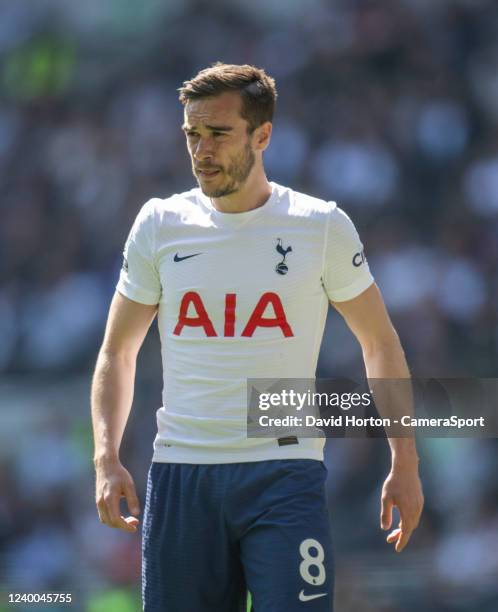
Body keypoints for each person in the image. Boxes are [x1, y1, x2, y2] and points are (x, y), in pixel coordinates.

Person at [91, 63, 424, 611]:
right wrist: (106, 457)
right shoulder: (158, 224)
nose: (202, 149)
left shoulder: (321, 227)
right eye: (192, 135)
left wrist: (404, 462)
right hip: (183, 473)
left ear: (262, 135)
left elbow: (380, 343)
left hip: (284, 474)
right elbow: (117, 352)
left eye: (218, 133)